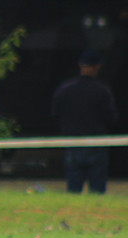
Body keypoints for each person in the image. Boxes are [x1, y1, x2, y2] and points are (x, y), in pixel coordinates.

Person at [51, 49, 119, 193]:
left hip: (73, 143)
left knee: (74, 189)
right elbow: (111, 118)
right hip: (96, 144)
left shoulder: (64, 89)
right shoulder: (102, 91)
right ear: (98, 66)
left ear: (80, 64)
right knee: (97, 190)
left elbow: (55, 114)